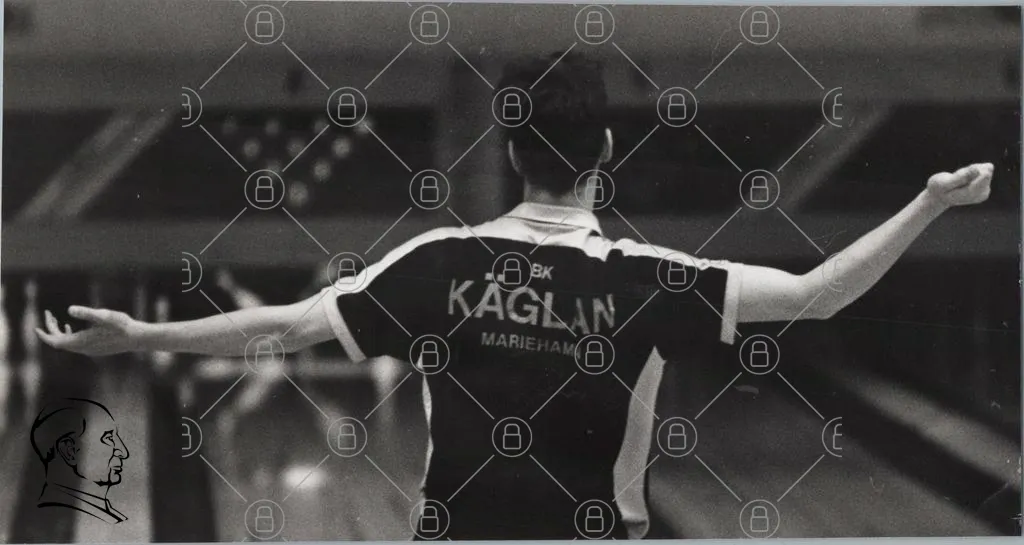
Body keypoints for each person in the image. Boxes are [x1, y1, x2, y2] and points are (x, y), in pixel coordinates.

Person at [34, 52, 993, 540]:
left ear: (507, 152)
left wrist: (140, 334)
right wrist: (930, 202)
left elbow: (283, 327)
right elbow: (821, 293)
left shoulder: (438, 260)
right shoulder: (652, 278)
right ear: (605, 152)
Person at [30, 398, 130, 524]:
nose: (123, 452)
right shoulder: (55, 517)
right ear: (69, 451)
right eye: (109, 438)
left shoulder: (109, 516)